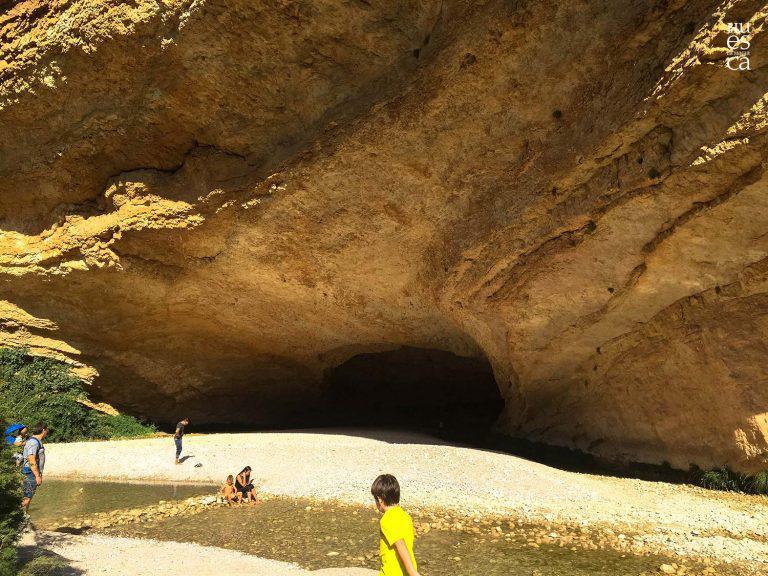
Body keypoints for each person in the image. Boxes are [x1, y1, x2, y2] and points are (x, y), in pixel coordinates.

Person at [371, 474, 420, 576]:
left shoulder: (387, 519)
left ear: (380, 499)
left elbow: (400, 543)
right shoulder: (405, 516)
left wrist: (413, 573)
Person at [21, 422, 49, 511]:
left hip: (31, 472)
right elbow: (31, 460)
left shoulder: (35, 441)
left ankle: (25, 515)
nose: (47, 432)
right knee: (27, 497)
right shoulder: (34, 442)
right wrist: (37, 476)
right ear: (43, 430)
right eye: (47, 430)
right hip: (30, 472)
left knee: (28, 495)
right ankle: (20, 516)